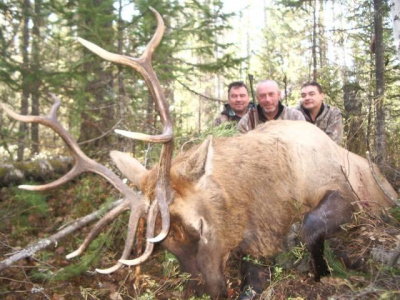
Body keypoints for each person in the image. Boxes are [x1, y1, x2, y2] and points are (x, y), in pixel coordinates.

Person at [237, 80, 304, 133]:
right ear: (257, 98)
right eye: (262, 96)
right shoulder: (247, 121)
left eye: (271, 94)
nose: (267, 100)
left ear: (279, 95)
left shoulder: (295, 117)